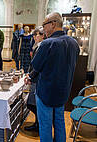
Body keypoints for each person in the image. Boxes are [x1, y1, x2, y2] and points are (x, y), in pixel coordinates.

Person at [25, 12, 80, 142]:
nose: (43, 28)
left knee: (45, 125)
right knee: (60, 122)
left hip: (46, 92)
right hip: (63, 92)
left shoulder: (47, 44)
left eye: (45, 24)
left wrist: (30, 76)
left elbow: (36, 66)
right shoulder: (74, 43)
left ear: (53, 24)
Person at [24, 26, 45, 132]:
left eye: (37, 34)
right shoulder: (37, 46)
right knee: (32, 103)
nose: (34, 36)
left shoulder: (41, 47)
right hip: (35, 77)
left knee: (31, 104)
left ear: (42, 36)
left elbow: (38, 65)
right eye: (34, 34)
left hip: (37, 79)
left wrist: (31, 76)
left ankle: (38, 124)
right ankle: (38, 123)